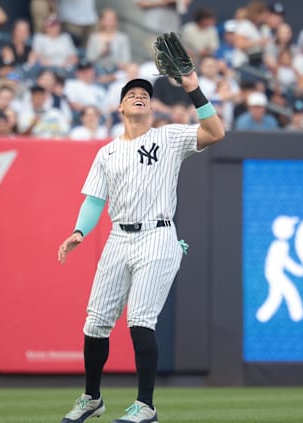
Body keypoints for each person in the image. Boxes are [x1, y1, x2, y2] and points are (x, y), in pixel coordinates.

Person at [56, 69, 225, 423]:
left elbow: (215, 132)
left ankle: (145, 406)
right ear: (120, 107)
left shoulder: (169, 138)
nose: (139, 95)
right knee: (96, 323)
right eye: (132, 93)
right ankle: (91, 398)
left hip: (159, 235)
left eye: (145, 94)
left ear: (151, 107)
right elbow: (93, 200)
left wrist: (193, 89)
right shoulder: (107, 153)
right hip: (118, 237)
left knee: (140, 321)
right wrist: (79, 232)